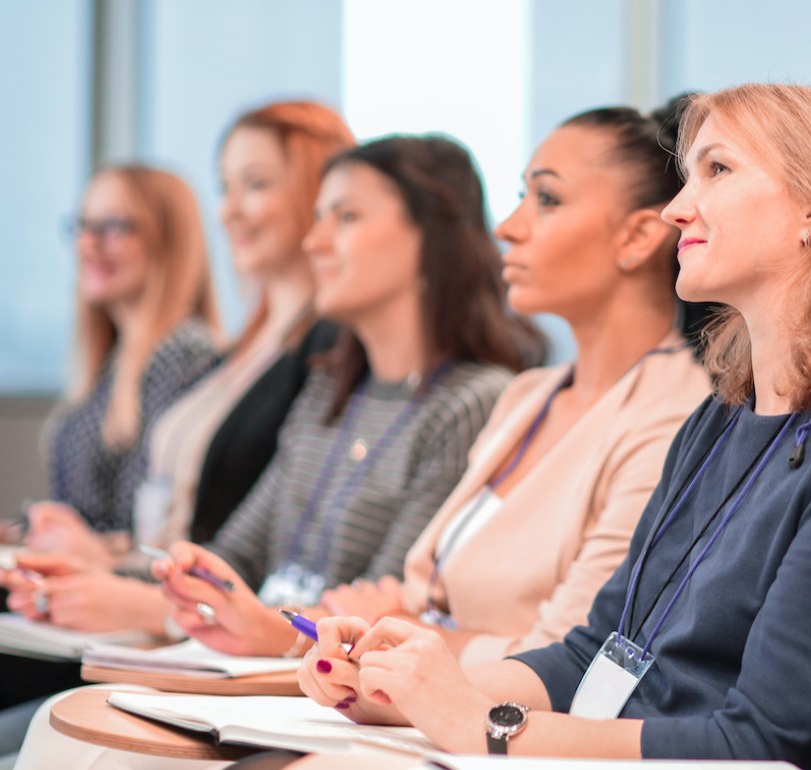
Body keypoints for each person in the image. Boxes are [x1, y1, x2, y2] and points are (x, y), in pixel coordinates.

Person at [298, 83, 811, 769]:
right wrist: (405, 691)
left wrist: (483, 726)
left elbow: (765, 743)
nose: (676, 208)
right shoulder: (720, 418)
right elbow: (595, 651)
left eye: (717, 170)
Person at [292, 99, 713, 666]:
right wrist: (398, 622)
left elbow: (567, 656)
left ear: (638, 237)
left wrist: (397, 629)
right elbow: (420, 596)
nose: (508, 228)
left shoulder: (676, 418)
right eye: (521, 197)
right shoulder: (527, 395)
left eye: (547, 199)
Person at [141, 134, 541, 658]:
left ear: (430, 237)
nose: (314, 242)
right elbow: (238, 555)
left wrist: (261, 627)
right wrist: (177, 579)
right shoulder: (328, 388)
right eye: (319, 217)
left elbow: (384, 614)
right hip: (250, 665)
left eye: (346, 217)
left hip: (326, 692)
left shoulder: (472, 403)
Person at [0, 165, 223, 730]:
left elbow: (150, 530)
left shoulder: (181, 356)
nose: (88, 244)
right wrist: (29, 530)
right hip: (81, 591)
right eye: (83, 225)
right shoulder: (111, 359)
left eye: (115, 226)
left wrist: (80, 541)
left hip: (121, 608)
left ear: (165, 241)